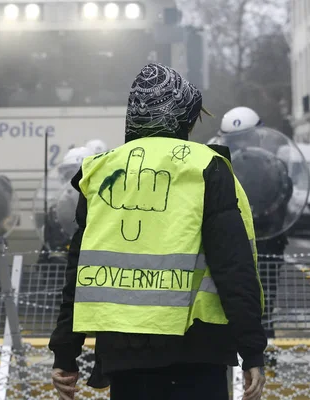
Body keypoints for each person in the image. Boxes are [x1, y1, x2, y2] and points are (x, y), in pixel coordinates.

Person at [49, 64, 266, 400]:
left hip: (125, 353)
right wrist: (251, 349)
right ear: (181, 116)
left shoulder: (100, 170)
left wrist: (65, 352)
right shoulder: (206, 167)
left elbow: (77, 268)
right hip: (198, 349)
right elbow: (232, 265)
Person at [208, 106, 290, 340]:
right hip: (237, 242)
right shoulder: (217, 165)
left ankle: (263, 349)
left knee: (262, 300)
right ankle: (251, 351)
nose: (242, 146)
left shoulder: (272, 167)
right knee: (238, 299)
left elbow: (282, 198)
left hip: (264, 240)